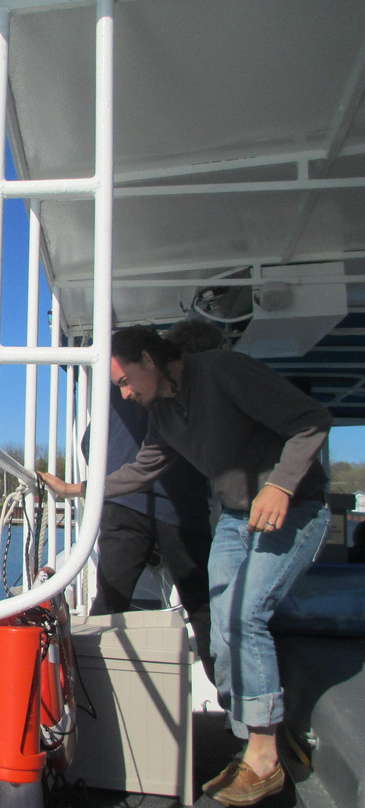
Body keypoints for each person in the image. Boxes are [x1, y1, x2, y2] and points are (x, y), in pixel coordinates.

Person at [40, 325, 331, 807]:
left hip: (293, 509)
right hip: (239, 518)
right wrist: (78, 491)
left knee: (244, 616)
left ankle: (263, 758)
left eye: (126, 381)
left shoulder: (223, 371)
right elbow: (142, 469)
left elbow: (312, 421)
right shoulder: (164, 414)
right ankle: (257, 744)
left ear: (150, 360)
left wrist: (280, 486)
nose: (126, 394)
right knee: (219, 628)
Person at [83, 319, 222, 685]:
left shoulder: (120, 389)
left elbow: (88, 442)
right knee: (204, 609)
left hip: (125, 501)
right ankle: (236, 716)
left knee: (109, 604)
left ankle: (87, 699)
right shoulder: (193, 389)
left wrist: (110, 471)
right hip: (182, 505)